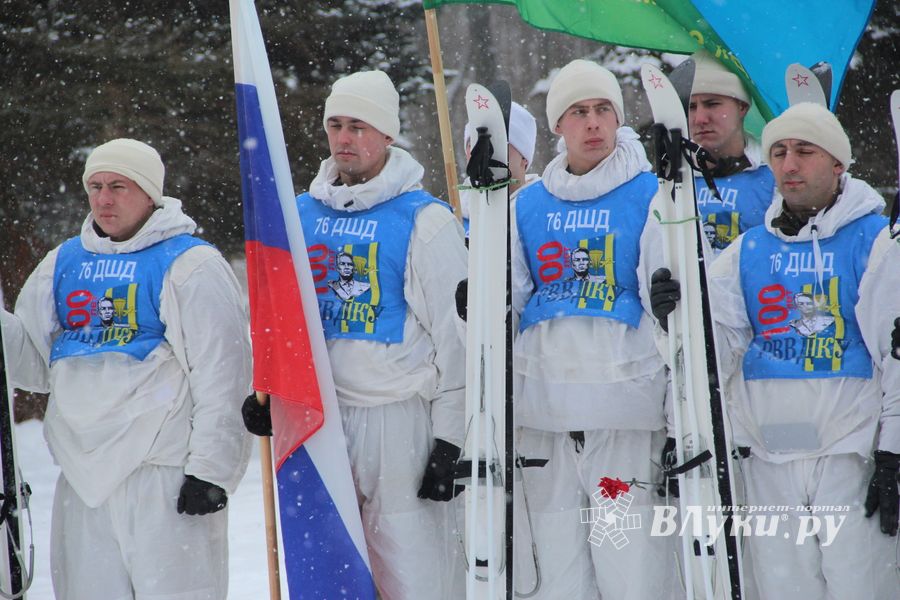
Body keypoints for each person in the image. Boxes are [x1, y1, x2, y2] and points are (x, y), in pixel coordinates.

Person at [653, 102, 899, 598]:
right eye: (780, 152)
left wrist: (894, 452)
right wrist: (673, 319)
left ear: (838, 164)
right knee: (782, 589)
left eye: (804, 151)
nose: (789, 164)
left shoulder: (876, 242)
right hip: (769, 456)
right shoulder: (748, 250)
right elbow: (710, 354)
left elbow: (894, 359)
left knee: (860, 586)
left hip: (850, 457)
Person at [242, 70, 468, 599]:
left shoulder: (424, 220)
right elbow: (276, 317)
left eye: (358, 126)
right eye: (336, 125)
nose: (344, 138)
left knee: (411, 568)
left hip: (396, 422)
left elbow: (457, 340)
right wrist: (266, 391)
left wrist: (452, 439)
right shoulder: (297, 215)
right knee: (329, 568)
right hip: (317, 417)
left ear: (387, 134)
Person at [0, 138, 252, 600]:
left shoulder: (190, 263)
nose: (103, 198)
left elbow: (224, 373)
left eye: (118, 185)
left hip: (164, 475)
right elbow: (34, 368)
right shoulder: (63, 262)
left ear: (150, 194)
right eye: (94, 186)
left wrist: (213, 470)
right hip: (83, 478)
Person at [510, 58, 673, 599]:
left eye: (604, 109)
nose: (594, 123)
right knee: (558, 577)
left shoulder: (651, 193)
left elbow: (671, 313)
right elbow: (507, 303)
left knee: (629, 567)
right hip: (545, 418)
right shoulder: (526, 205)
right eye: (579, 112)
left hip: (622, 416)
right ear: (558, 125)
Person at [687, 50, 777, 254]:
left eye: (712, 104)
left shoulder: (776, 176)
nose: (700, 118)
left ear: (742, 107)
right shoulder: (671, 178)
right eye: (691, 106)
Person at [459, 100, 540, 236]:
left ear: (524, 157)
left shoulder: (545, 211)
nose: (483, 151)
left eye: (497, 141)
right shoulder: (453, 217)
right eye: (473, 142)